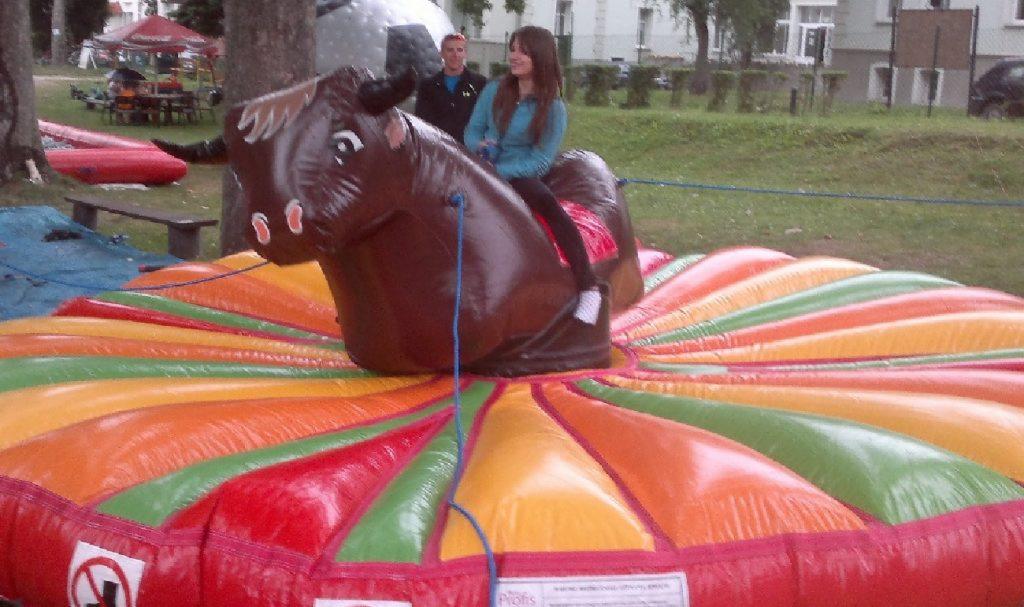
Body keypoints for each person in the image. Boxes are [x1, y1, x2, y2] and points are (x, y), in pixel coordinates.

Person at [464, 26, 601, 325]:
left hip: (519, 176)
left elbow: (540, 162)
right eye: (512, 49)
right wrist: (479, 146)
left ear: (539, 56)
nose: (513, 56)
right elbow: (472, 131)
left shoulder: (553, 108)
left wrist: (498, 174)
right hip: (480, 169)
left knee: (546, 202)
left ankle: (589, 288)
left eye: (522, 51)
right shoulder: (493, 90)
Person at [414, 33, 487, 143]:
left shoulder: (480, 84)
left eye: (459, 50)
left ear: (465, 53)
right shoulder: (427, 86)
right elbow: (421, 123)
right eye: (450, 50)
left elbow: (487, 120)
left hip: (469, 151)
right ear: (441, 54)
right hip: (438, 149)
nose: (455, 55)